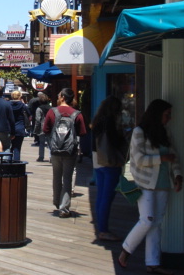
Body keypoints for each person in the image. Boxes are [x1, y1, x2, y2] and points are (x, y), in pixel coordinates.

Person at [119, 99, 182, 275]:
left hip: (163, 183)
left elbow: (174, 156)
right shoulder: (139, 132)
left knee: (156, 223)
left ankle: (152, 262)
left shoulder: (165, 132)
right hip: (144, 183)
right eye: (166, 114)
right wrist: (161, 159)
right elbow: (138, 159)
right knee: (147, 220)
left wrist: (177, 175)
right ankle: (126, 250)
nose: (169, 118)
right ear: (157, 114)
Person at [44, 88, 87, 218]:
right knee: (67, 178)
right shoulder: (77, 114)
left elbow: (45, 129)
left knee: (56, 176)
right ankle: (64, 208)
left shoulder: (52, 112)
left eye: (58, 95)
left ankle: (57, 201)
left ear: (62, 97)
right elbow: (82, 132)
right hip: (70, 150)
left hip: (55, 149)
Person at [91, 96, 128, 241]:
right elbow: (115, 142)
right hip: (109, 161)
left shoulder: (98, 121)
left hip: (97, 160)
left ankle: (101, 226)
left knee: (101, 195)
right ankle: (103, 230)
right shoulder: (110, 122)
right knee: (108, 196)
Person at [9, 90, 30, 161]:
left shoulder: (8, 105)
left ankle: (8, 163)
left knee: (9, 148)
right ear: (20, 97)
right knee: (17, 148)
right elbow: (29, 114)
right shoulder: (23, 105)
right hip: (20, 128)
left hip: (9, 128)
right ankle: (16, 165)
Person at [34, 92, 51, 162]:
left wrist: (36, 129)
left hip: (42, 127)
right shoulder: (51, 108)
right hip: (50, 127)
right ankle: (51, 157)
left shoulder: (39, 109)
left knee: (42, 143)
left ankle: (41, 157)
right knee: (50, 143)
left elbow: (38, 119)